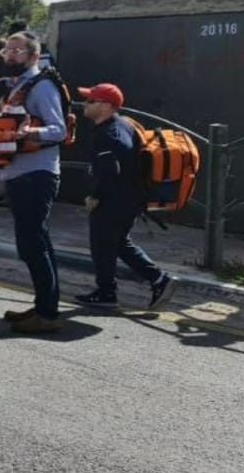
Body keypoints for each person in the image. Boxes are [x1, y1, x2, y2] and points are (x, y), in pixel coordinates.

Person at [74, 83, 176, 310]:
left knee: (102, 244)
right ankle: (155, 281)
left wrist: (96, 196)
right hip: (129, 197)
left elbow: (111, 169)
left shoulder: (108, 134)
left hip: (115, 199)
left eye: (90, 100)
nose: (85, 103)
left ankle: (108, 292)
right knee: (118, 243)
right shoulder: (121, 124)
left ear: (106, 106)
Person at [0, 32, 67, 334]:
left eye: (17, 51)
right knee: (38, 242)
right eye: (7, 50)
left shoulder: (42, 86)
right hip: (18, 173)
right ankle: (43, 306)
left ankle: (47, 314)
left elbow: (58, 130)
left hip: (35, 174)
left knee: (32, 245)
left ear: (34, 56)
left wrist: (29, 134)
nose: (9, 56)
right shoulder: (15, 86)